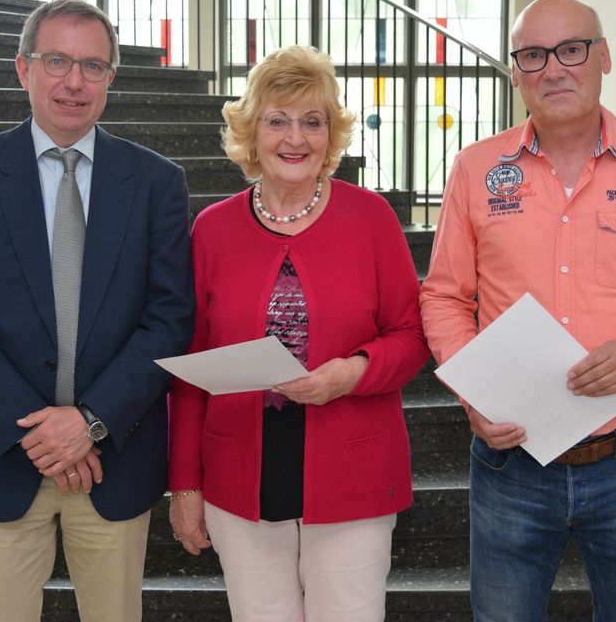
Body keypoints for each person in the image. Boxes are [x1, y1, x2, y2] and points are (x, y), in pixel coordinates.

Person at [419, 0, 616, 622]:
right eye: (533, 55)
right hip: (510, 462)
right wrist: (472, 390)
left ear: (604, 58)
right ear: (515, 72)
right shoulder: (476, 170)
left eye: (572, 49)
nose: (553, 69)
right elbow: (445, 296)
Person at [0, 0, 195, 622]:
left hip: (114, 460)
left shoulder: (156, 183)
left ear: (111, 80)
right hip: (0, 457)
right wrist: (43, 434)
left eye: (93, 66)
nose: (75, 81)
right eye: (57, 61)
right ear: (23, 68)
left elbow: (169, 317)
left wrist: (90, 421)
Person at [167, 44, 429, 622]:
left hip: (353, 470)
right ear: (251, 132)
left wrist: (351, 373)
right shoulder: (211, 230)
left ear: (330, 135)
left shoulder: (372, 218)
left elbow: (412, 336)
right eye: (277, 120)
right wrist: (184, 486)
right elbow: (190, 367)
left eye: (313, 122)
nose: (295, 138)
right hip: (240, 474)